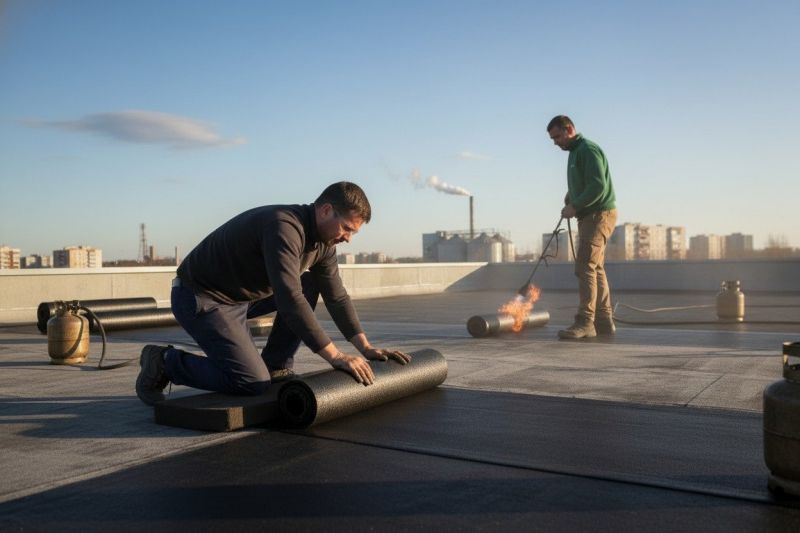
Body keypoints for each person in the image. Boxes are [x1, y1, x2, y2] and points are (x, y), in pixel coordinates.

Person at [136, 181, 411, 405]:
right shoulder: (284, 227)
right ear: (326, 210)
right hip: (202, 297)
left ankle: (276, 364)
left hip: (242, 298)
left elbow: (336, 297)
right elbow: (290, 298)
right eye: (347, 229)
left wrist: (365, 347)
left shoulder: (325, 245)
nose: (348, 238)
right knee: (250, 381)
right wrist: (336, 356)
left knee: (310, 283)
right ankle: (164, 363)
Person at [547, 115, 618, 339]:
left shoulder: (587, 149)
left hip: (598, 215)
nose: (555, 142)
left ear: (569, 129)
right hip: (592, 215)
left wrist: (576, 205)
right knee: (595, 268)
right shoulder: (575, 152)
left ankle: (585, 322)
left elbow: (597, 186)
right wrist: (572, 195)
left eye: (557, 137)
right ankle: (603, 321)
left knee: (585, 266)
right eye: (552, 139)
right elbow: (586, 181)